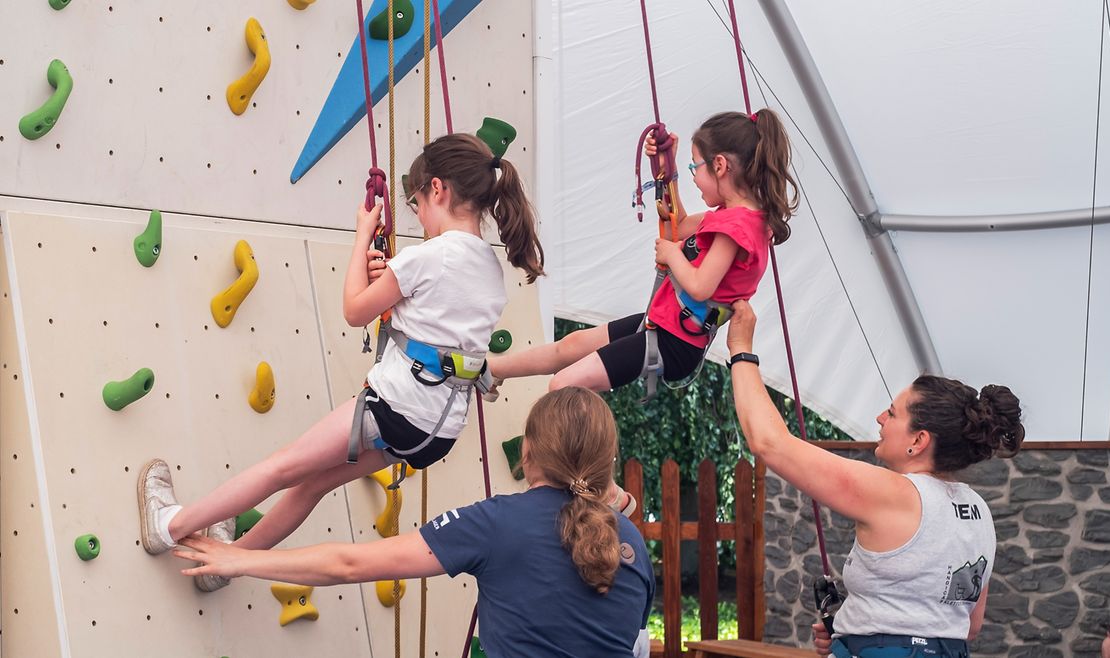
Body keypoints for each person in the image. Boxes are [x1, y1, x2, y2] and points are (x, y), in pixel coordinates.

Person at [137, 133, 545, 593]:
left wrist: (361, 237)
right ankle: (221, 568)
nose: (419, 218)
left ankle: (168, 525)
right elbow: (433, 322)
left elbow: (355, 311)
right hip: (437, 433)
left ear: (438, 190)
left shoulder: (429, 256)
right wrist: (396, 286)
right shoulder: (489, 269)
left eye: (415, 204)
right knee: (311, 485)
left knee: (282, 467)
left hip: (397, 407)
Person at [173, 387, 656, 657]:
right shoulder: (631, 543)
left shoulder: (499, 523)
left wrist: (240, 559)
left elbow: (348, 564)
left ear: (528, 452)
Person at [724, 300, 1024, 658]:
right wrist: (854, 629)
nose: (880, 417)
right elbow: (968, 625)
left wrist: (740, 350)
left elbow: (770, 443)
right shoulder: (978, 510)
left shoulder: (894, 492)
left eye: (893, 413)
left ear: (918, 440)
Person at [487, 109, 798, 397]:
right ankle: (492, 370)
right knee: (573, 344)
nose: (693, 175)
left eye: (694, 166)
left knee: (562, 383)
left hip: (675, 342)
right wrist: (669, 170)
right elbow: (678, 225)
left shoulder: (737, 228)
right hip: (664, 324)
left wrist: (672, 255)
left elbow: (701, 286)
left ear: (719, 165)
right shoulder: (734, 216)